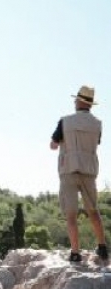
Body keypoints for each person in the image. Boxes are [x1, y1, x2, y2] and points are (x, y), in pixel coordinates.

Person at [50, 85, 106, 262]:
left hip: (69, 170)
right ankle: (103, 248)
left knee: (71, 214)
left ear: (80, 101)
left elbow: (53, 144)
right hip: (89, 171)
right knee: (93, 211)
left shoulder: (65, 121)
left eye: (76, 99)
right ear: (90, 104)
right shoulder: (97, 124)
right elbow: (96, 143)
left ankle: (75, 253)